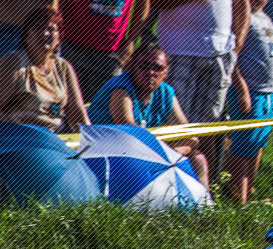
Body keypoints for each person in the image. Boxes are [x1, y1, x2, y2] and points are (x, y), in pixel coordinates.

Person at [152, 0, 250, 179]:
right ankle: (168, 181)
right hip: (179, 51)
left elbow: (242, 5)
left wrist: (236, 46)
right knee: (175, 125)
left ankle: (203, 185)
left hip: (219, 54)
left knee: (210, 123)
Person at [87, 44, 208, 186]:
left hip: (144, 153)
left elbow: (190, 136)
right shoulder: (120, 89)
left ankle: (205, 200)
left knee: (198, 159)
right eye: (144, 66)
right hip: (105, 153)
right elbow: (130, 132)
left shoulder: (166, 92)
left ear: (166, 72)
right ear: (132, 67)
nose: (150, 72)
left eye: (158, 68)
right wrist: (163, 155)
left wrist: (169, 154)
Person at [223, 0, 273, 203]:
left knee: (257, 144)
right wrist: (241, 89)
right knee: (243, 145)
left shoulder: (264, 17)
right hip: (252, 91)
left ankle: (247, 194)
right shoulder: (241, 16)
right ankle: (235, 197)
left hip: (270, 91)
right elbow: (232, 56)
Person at [0, 8, 88, 133]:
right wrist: (15, 135)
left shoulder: (64, 67)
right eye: (38, 28)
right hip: (20, 137)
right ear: (26, 36)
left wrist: (92, 140)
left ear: (59, 38)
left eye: (51, 29)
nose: (45, 33)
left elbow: (77, 112)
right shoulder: (13, 63)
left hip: (54, 139)